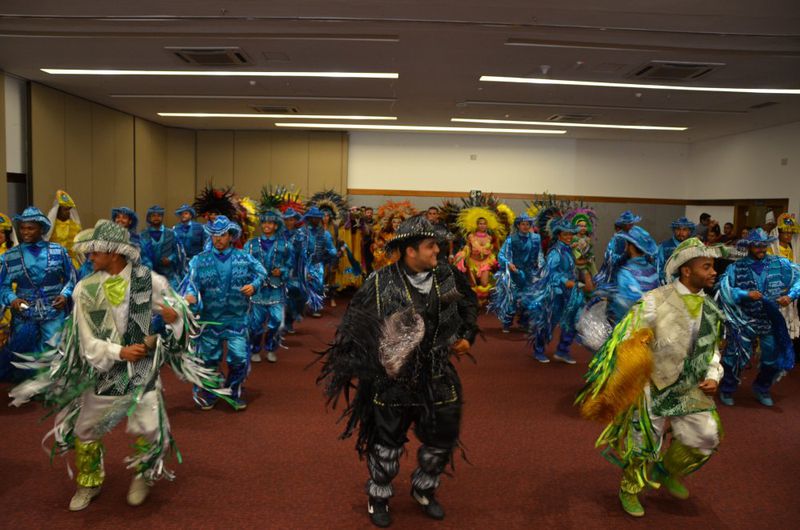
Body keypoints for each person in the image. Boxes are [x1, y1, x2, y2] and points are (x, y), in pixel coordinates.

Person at [9, 220, 227, 511]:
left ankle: (143, 474)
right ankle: (89, 482)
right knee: (85, 430)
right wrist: (118, 351)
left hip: (142, 369)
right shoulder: (84, 290)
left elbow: (178, 316)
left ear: (114, 252)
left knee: (150, 428)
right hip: (104, 371)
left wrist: (175, 318)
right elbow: (85, 340)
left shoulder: (150, 281)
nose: (90, 257)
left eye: (95, 251)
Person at [318, 216, 478, 528]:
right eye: (430, 246)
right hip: (393, 381)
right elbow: (353, 327)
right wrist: (377, 356)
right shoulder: (379, 283)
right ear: (410, 251)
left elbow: (467, 305)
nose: (437, 251)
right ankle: (379, 495)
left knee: (442, 436)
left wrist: (466, 336)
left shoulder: (446, 275)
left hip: (437, 374)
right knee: (386, 444)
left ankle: (424, 488)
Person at [577, 237, 724, 518]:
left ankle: (666, 470)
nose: (714, 271)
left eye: (713, 266)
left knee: (706, 437)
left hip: (691, 387)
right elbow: (627, 341)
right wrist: (634, 353)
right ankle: (630, 489)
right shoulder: (655, 301)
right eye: (707, 266)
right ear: (687, 271)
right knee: (642, 444)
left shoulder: (712, 308)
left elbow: (712, 349)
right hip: (653, 385)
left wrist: (713, 374)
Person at [182, 216, 267, 411]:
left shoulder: (243, 257)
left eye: (222, 235)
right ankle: (210, 393)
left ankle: (233, 392)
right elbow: (191, 284)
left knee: (239, 358)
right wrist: (190, 296)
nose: (218, 239)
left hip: (237, 318)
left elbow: (262, 273)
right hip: (210, 320)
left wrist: (254, 286)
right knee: (209, 358)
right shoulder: (199, 260)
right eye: (214, 235)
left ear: (230, 236)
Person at [717, 228, 800, 407]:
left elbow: (799, 278)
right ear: (748, 247)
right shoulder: (736, 267)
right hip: (744, 320)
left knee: (772, 358)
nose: (762, 249)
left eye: (764, 245)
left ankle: (762, 388)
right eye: (757, 246)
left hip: (770, 321)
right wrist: (745, 294)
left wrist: (791, 296)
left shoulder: (780, 263)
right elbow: (723, 288)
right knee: (735, 357)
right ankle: (727, 388)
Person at [0, 207, 76, 382]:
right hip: (24, 313)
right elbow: (3, 287)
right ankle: (28, 386)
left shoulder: (58, 251)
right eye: (22, 228)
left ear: (41, 229)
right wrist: (13, 299)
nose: (25, 232)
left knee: (54, 347)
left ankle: (50, 386)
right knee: (24, 353)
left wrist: (65, 295)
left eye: (30, 228)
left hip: (54, 310)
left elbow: (71, 279)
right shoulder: (10, 256)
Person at [526, 218, 585, 364]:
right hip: (556, 293)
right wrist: (565, 281)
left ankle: (562, 351)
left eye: (571, 234)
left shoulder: (568, 249)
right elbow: (549, 273)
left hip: (570, 293)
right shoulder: (555, 252)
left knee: (572, 321)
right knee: (549, 322)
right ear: (559, 235)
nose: (569, 237)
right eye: (566, 234)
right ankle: (538, 350)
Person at [245, 209, 291, 364]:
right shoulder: (250, 245)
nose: (266, 225)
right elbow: (244, 265)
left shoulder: (285, 245)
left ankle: (271, 347)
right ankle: (255, 349)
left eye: (270, 223)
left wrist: (282, 271)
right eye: (264, 222)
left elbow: (291, 265)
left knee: (277, 321)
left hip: (276, 289)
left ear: (276, 226)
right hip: (257, 290)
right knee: (255, 324)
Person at [491, 213, 542, 332]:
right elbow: (501, 255)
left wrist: (540, 265)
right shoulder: (511, 239)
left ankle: (524, 322)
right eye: (523, 224)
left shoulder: (535, 238)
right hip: (515, 273)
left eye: (528, 224)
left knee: (529, 298)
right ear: (518, 225)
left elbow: (539, 254)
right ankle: (507, 324)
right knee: (513, 298)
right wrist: (509, 263)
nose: (525, 226)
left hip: (529, 273)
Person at [454, 207, 501, 305]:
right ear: (477, 225)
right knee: (473, 284)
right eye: (480, 223)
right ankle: (473, 302)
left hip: (485, 263)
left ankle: (483, 300)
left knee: (484, 284)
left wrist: (495, 259)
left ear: (487, 225)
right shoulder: (471, 236)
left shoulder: (490, 237)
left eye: (484, 223)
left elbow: (495, 250)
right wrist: (463, 253)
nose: (482, 225)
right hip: (472, 263)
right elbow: (467, 247)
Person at [302, 207, 339, 317]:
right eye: (312, 218)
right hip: (303, 263)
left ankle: (315, 308)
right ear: (308, 218)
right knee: (302, 286)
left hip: (317, 263)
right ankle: (300, 308)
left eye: (317, 218)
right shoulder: (302, 233)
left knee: (318, 286)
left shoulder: (325, 234)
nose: (314, 220)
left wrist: (330, 252)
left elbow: (332, 249)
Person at [139, 206, 184, 288]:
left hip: (169, 275)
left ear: (162, 217)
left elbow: (179, 252)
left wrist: (170, 258)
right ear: (149, 217)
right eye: (153, 216)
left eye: (159, 215)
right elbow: (141, 254)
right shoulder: (143, 235)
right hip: (151, 275)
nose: (156, 218)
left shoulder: (171, 233)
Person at [282, 208, 308, 335]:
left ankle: (293, 316)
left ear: (295, 220)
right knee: (284, 296)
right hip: (281, 268)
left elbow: (305, 253)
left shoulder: (300, 234)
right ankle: (285, 323)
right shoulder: (279, 234)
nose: (288, 222)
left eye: (291, 219)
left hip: (297, 268)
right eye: (286, 220)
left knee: (300, 295)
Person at [46, 190, 82, 268]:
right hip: (54, 263)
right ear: (58, 210)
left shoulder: (75, 226)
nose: (68, 212)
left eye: (69, 209)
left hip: (72, 265)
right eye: (65, 209)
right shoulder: (50, 226)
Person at [656, 217, 695, 282]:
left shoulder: (694, 246)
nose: (681, 232)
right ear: (674, 230)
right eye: (678, 229)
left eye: (684, 229)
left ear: (690, 231)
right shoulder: (664, 246)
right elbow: (658, 266)